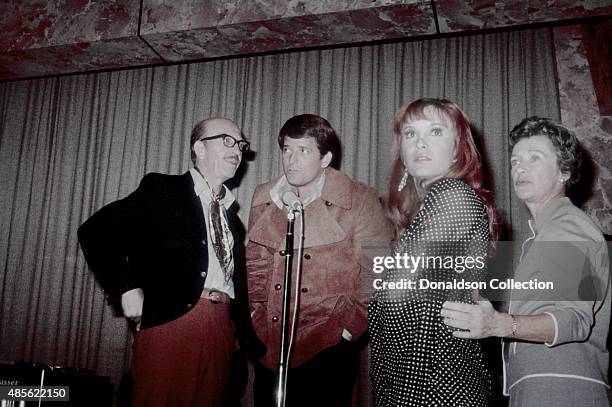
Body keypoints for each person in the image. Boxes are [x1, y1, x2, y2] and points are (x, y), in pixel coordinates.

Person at [78, 118, 263, 407]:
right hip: (172, 323)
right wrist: (125, 288)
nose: (237, 150)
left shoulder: (233, 222)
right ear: (199, 148)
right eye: (227, 140)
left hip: (221, 330)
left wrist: (242, 334)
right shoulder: (163, 190)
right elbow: (95, 231)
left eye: (240, 144)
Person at [442, 117, 611, 407]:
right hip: (539, 387)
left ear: (564, 171)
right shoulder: (542, 236)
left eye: (535, 158)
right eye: (515, 160)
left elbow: (574, 320)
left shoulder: (568, 226)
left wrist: (499, 324)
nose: (520, 166)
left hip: (562, 390)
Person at [246, 114, 392, 406]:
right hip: (269, 343)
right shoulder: (264, 196)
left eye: (304, 150)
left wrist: (347, 329)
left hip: (327, 344)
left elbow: (378, 271)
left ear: (325, 158)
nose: (292, 160)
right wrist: (254, 315)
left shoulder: (360, 198)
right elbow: (253, 263)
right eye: (287, 149)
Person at [368, 98, 498, 406]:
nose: (420, 143)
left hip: (437, 386)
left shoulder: (452, 195)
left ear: (457, 148)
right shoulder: (426, 208)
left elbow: (396, 297)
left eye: (436, 132)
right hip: (427, 382)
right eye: (410, 134)